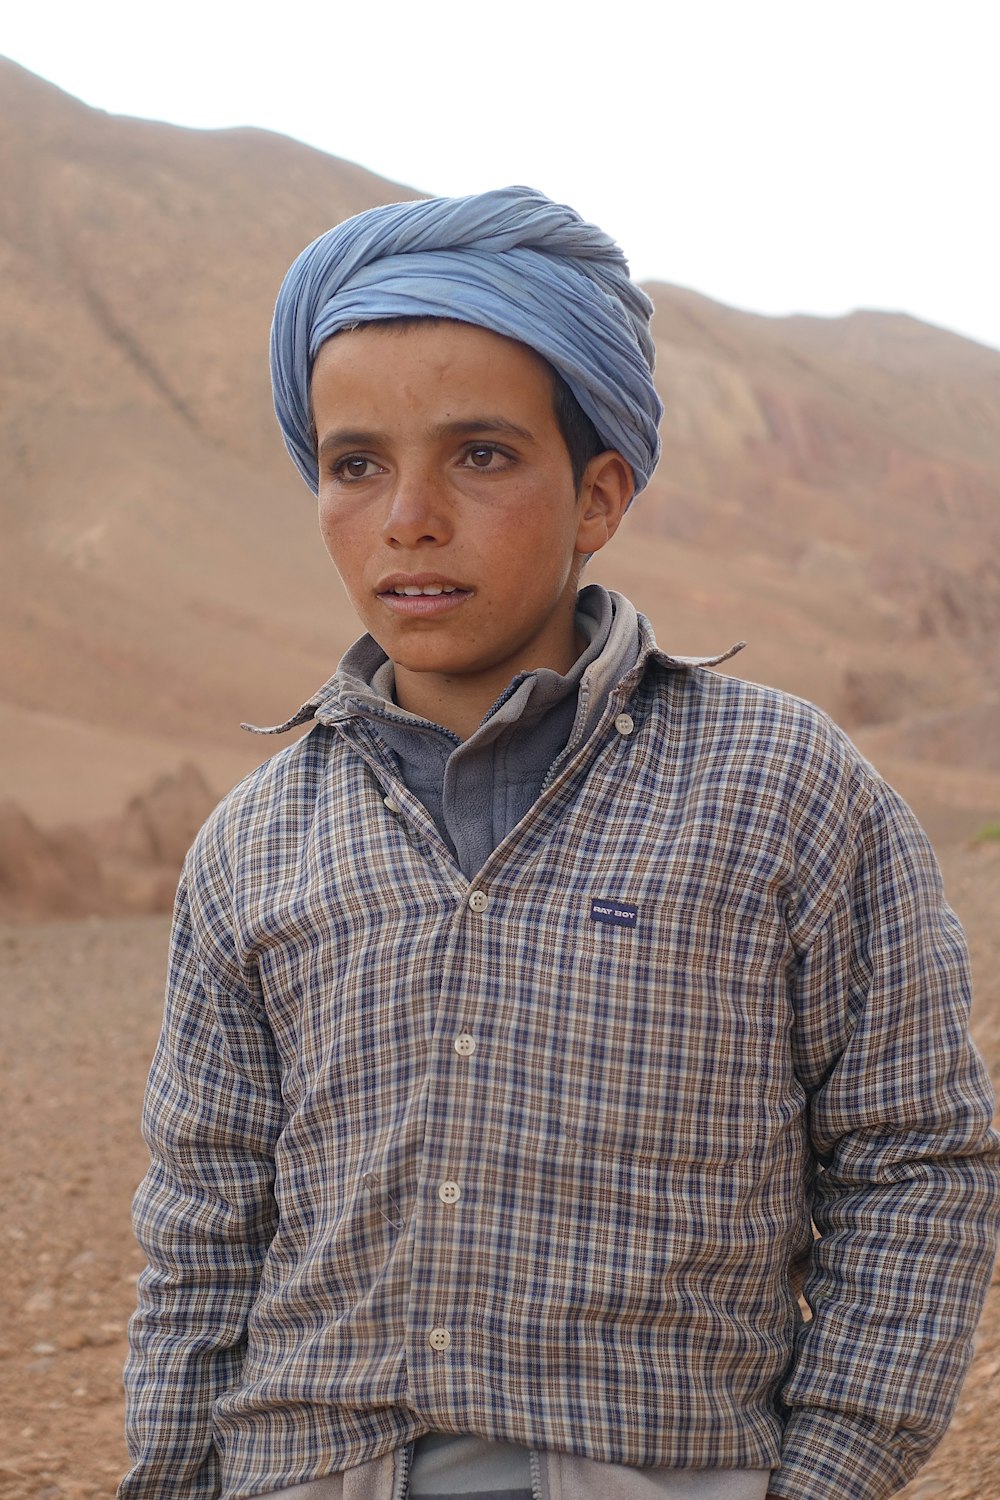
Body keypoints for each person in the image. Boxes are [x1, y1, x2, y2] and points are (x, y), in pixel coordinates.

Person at [120, 187, 999, 1500]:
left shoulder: (782, 788)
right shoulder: (255, 846)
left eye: (480, 455)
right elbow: (203, 1229)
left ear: (598, 495)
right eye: (356, 463)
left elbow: (917, 1158)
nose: (408, 516)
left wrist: (826, 1477)